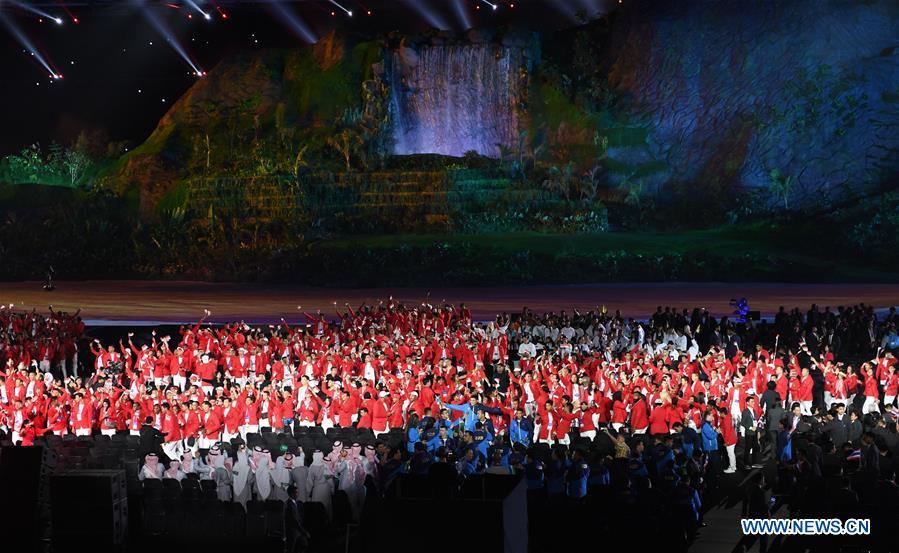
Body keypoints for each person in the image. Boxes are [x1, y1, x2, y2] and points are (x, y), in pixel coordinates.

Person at [284, 484, 310, 553]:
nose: (297, 494)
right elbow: (294, 520)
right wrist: (304, 531)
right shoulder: (289, 505)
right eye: (296, 492)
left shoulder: (295, 503)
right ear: (292, 494)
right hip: (293, 530)